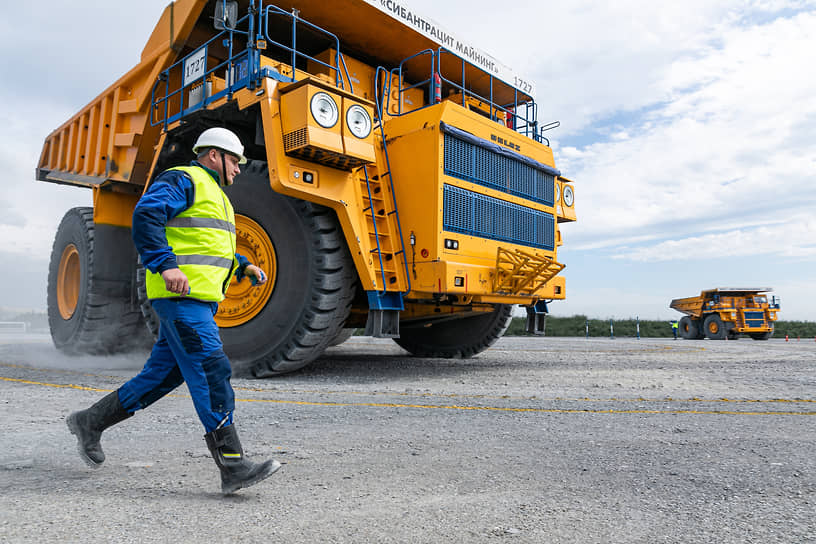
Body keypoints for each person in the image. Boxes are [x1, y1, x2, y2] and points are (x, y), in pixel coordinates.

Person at [66, 127, 279, 495]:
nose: (239, 169)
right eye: (235, 160)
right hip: (181, 299)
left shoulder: (217, 196)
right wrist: (165, 265)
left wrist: (243, 264)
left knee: (161, 378)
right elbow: (147, 214)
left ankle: (90, 422)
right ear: (213, 155)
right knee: (211, 368)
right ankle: (233, 464)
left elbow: (206, 244)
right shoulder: (185, 178)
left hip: (196, 301)